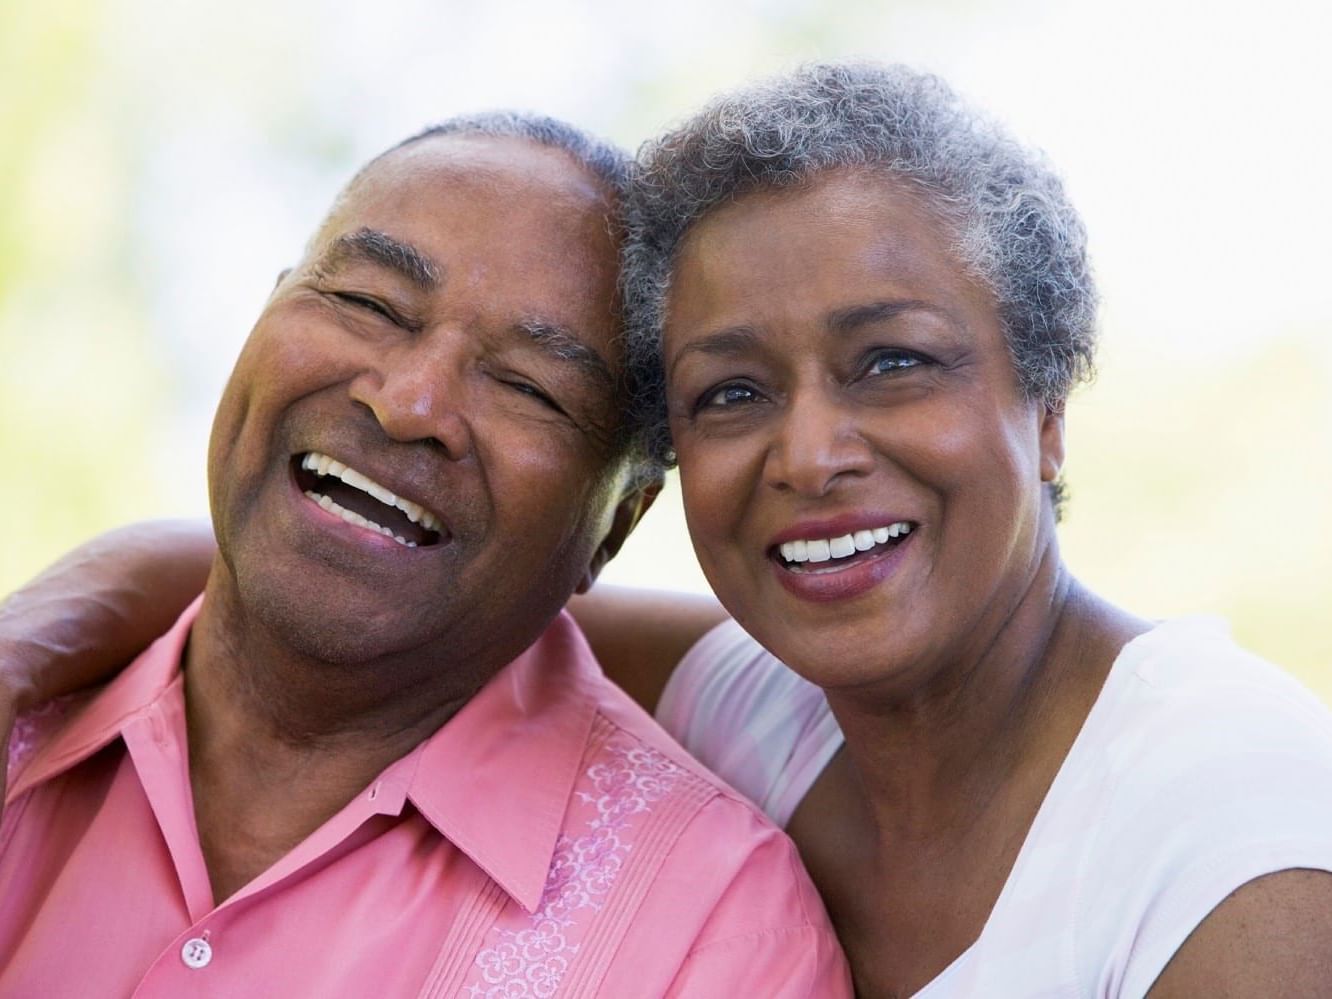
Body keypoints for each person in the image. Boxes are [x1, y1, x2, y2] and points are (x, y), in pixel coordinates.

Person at [7, 63, 1332, 996]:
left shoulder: (1237, 820)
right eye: (733, 391)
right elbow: (390, 573)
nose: (810, 452)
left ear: (1048, 410)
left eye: (893, 362)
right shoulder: (761, 700)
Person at [0, 112, 849, 997]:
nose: (410, 403)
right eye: (368, 303)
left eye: (529, 385)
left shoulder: (713, 933)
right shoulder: (28, 719)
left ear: (617, 525)